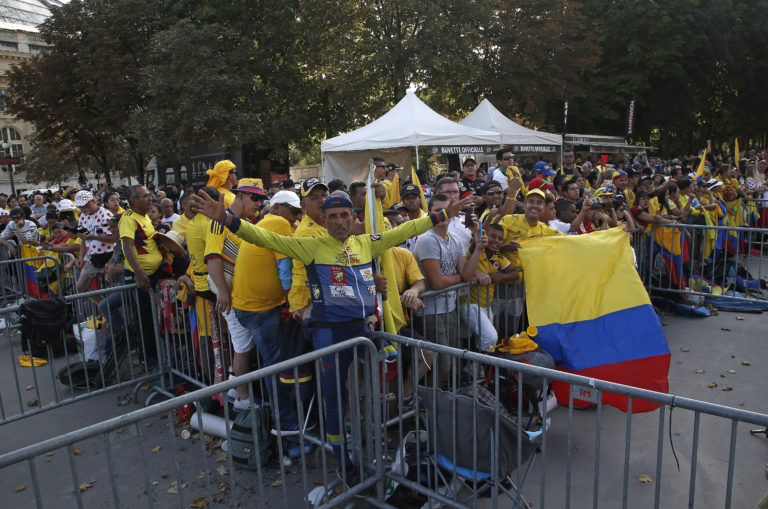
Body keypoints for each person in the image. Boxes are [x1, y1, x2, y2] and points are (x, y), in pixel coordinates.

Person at [189, 186, 471, 477]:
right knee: (335, 401)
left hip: (363, 331)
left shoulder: (365, 243)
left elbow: (403, 231)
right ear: (323, 220)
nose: (339, 221)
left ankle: (370, 444)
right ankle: (344, 464)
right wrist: (227, 219)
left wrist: (439, 214)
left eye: (344, 215)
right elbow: (264, 237)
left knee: (367, 391)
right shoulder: (311, 246)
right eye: (332, 216)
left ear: (352, 218)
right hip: (329, 336)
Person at [74, 190, 115, 293]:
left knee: (114, 290)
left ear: (92, 201)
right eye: (80, 206)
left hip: (109, 256)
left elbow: (114, 238)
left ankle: (110, 307)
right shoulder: (83, 216)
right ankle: (104, 306)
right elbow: (84, 239)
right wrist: (81, 257)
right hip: (93, 257)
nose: (83, 209)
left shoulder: (105, 214)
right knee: (81, 287)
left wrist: (93, 237)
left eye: (84, 205)